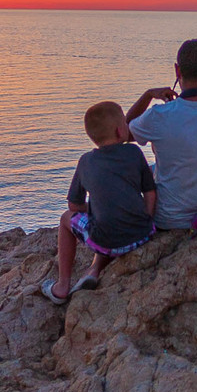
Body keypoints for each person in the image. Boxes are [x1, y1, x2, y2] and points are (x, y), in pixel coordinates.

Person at [41, 103, 157, 304]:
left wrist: (95, 206)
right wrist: (146, 218)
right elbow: (150, 191)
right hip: (142, 235)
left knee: (65, 219)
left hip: (105, 242)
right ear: (121, 131)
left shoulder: (86, 161)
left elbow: (74, 206)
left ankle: (62, 286)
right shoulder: (134, 153)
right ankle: (93, 271)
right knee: (112, 217)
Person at [124, 38, 197, 231]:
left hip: (170, 221)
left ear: (177, 71)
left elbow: (124, 133)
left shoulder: (158, 116)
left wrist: (148, 95)